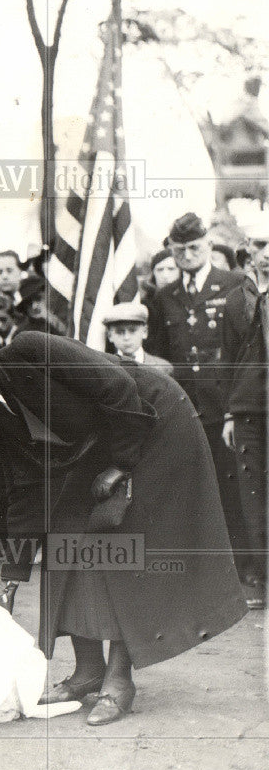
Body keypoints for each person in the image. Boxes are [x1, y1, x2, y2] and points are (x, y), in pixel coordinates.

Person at [0, 329, 247, 726]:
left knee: (122, 539)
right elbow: (25, 488)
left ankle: (119, 679)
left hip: (151, 419)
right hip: (99, 444)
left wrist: (121, 464)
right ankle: (88, 671)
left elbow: (119, 388)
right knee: (63, 539)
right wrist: (10, 580)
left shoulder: (30, 349)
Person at [147, 212, 246, 581]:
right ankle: (198, 572)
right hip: (184, 411)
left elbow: (244, 354)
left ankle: (237, 571)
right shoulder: (164, 296)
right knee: (190, 490)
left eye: (194, 247)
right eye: (179, 249)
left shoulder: (235, 284)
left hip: (224, 411)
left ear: (208, 244)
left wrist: (237, 411)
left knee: (231, 490)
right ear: (170, 250)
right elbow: (159, 358)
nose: (186, 255)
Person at [220, 227, 269, 610]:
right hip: (248, 409)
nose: (267, 252)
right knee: (251, 495)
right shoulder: (237, 300)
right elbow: (230, 357)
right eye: (261, 244)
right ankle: (261, 578)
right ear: (248, 249)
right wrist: (228, 414)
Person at [101, 303, 173, 375]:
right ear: (110, 336)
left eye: (132, 331)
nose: (126, 337)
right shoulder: (106, 369)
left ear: (145, 332)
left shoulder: (162, 368)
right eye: (119, 332)